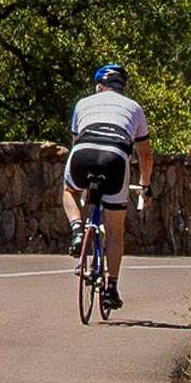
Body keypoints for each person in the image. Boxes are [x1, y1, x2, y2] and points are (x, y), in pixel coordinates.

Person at [60, 63, 153, 312]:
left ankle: (78, 229)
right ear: (121, 87)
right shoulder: (134, 107)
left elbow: (75, 140)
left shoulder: (83, 103)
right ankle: (111, 287)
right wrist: (146, 185)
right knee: (114, 229)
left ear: (99, 86)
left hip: (84, 151)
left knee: (70, 190)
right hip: (115, 158)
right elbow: (145, 155)